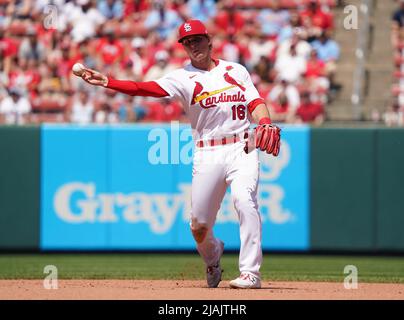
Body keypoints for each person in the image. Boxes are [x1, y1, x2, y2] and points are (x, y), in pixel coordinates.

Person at [76, 19, 281, 289]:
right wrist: (108, 82)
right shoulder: (181, 77)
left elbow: (256, 102)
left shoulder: (236, 70)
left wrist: (264, 122)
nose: (193, 45)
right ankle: (213, 256)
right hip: (208, 153)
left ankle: (250, 273)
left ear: (209, 40)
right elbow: (144, 88)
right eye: (187, 42)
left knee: (245, 201)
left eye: (197, 39)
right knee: (198, 226)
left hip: (242, 147)